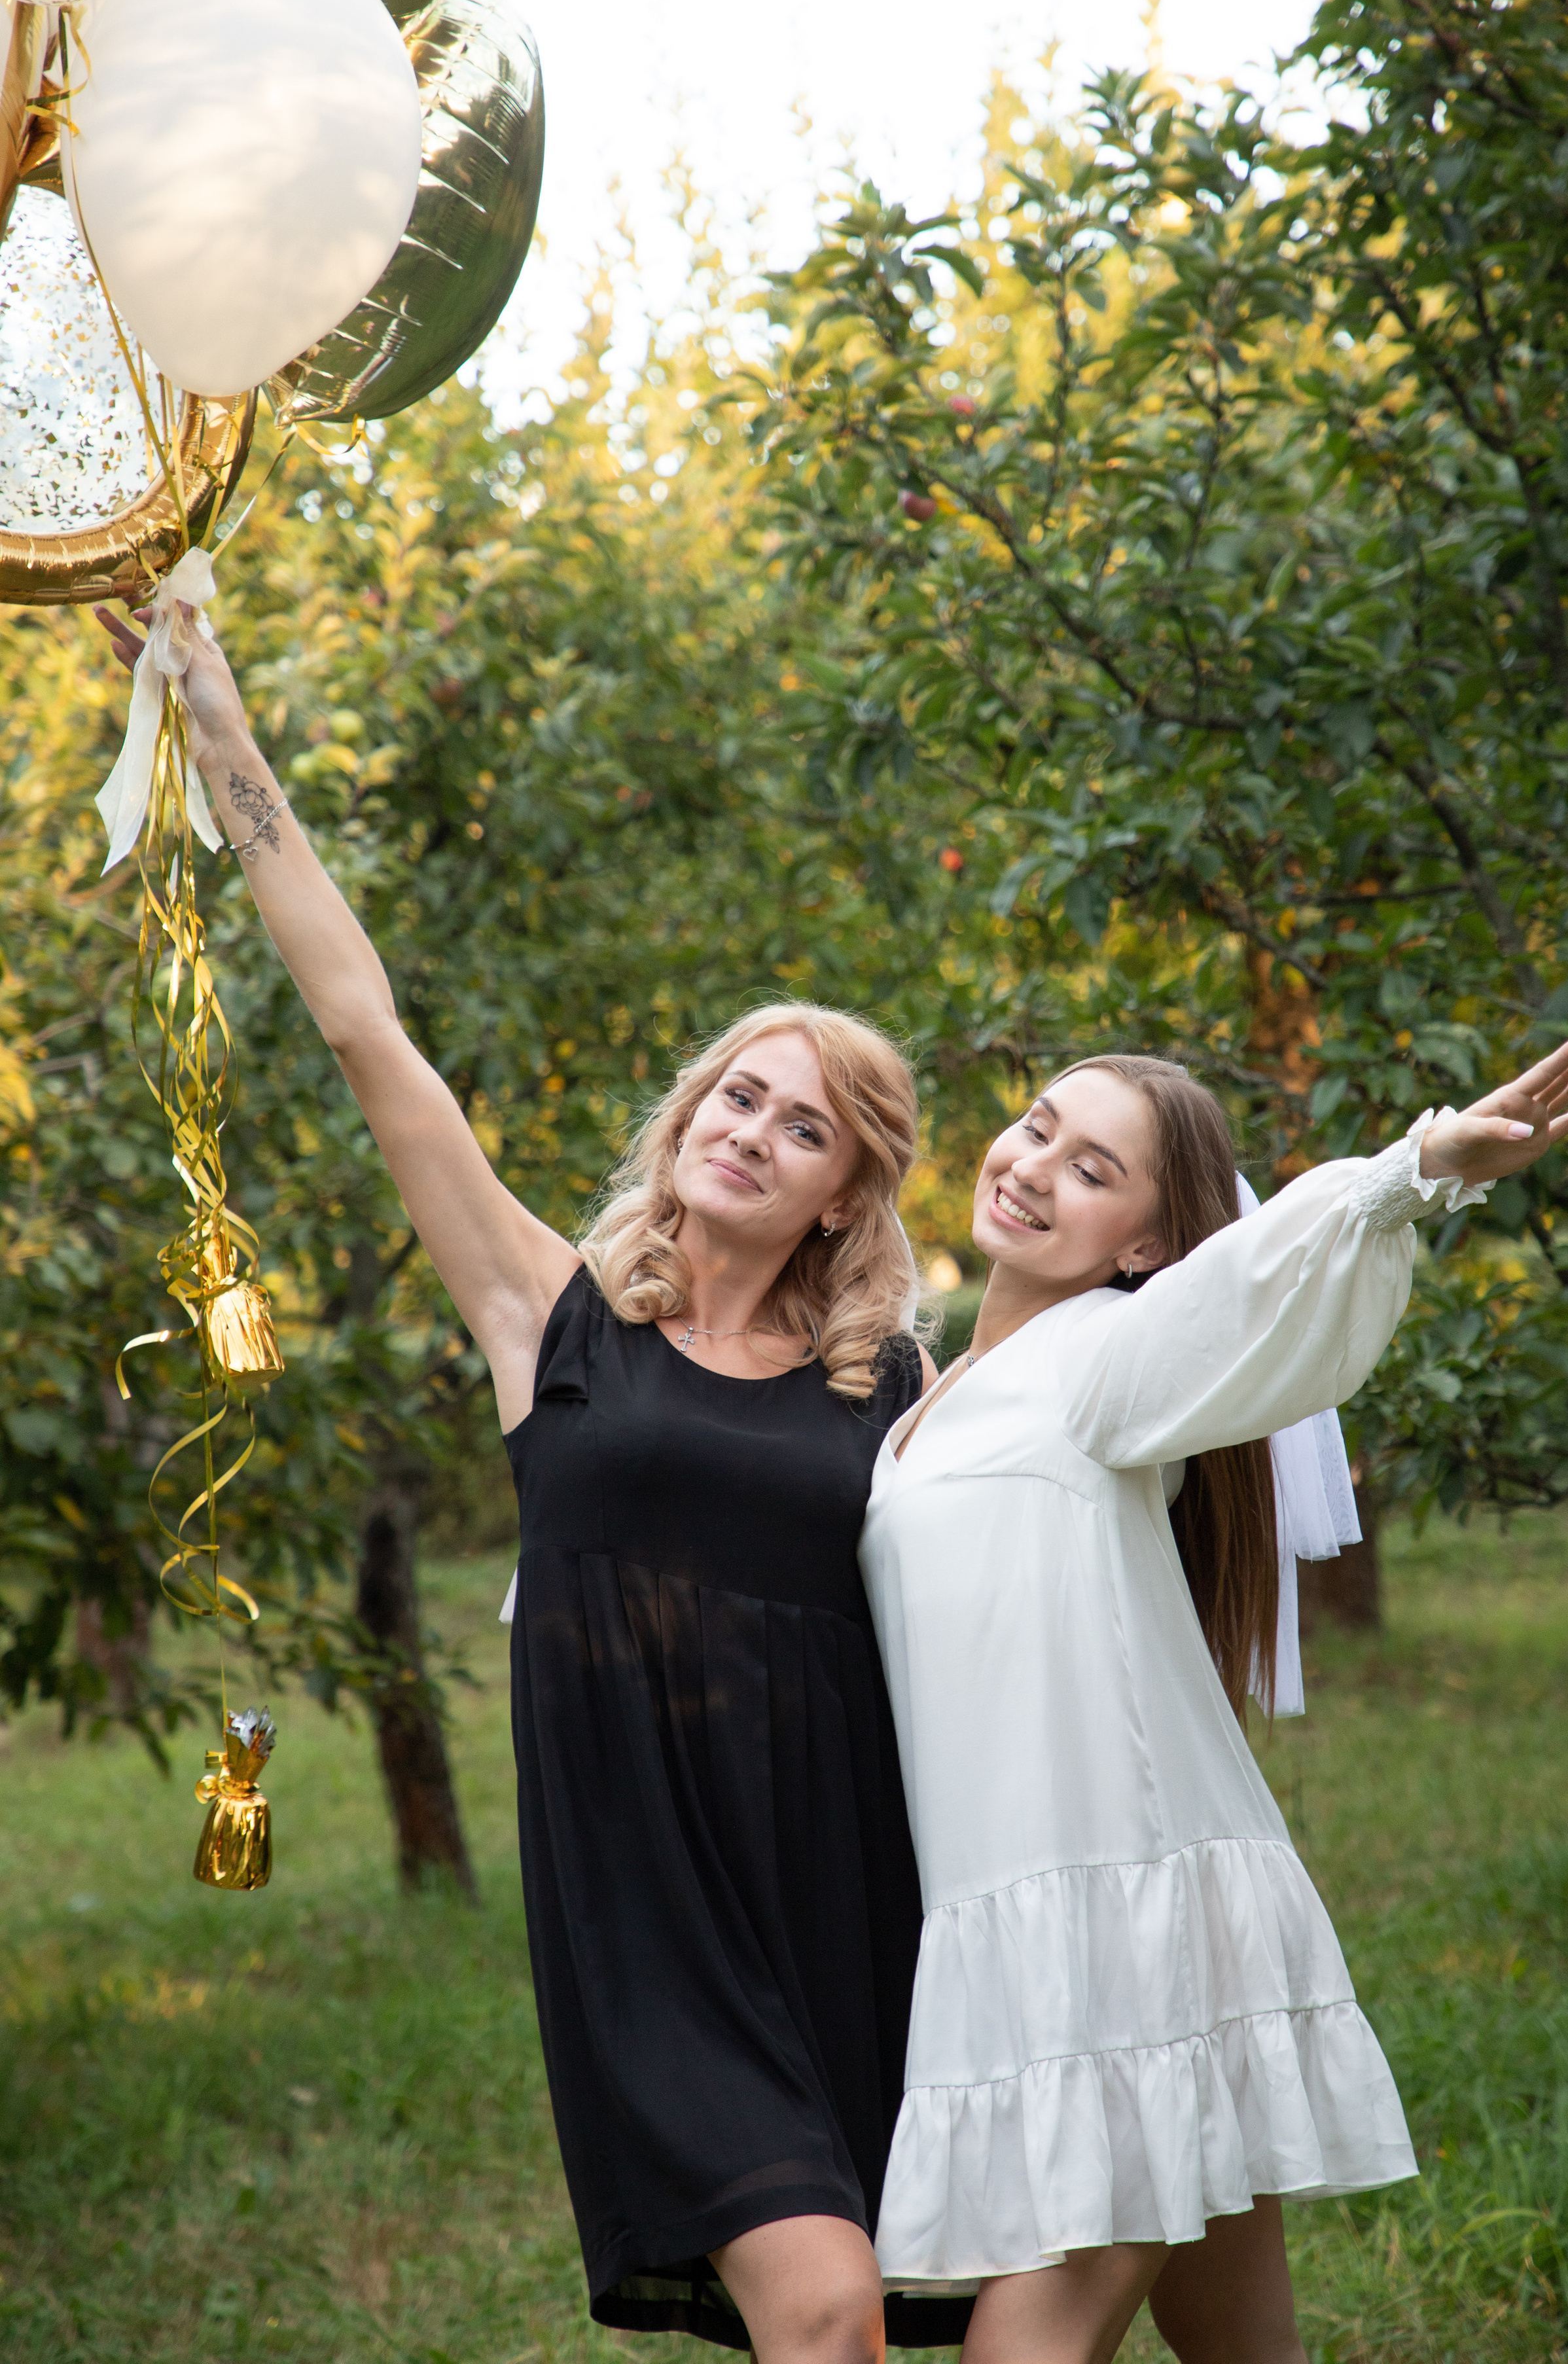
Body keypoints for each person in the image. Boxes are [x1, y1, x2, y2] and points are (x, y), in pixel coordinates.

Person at [95, 602, 975, 2364]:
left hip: (849, 1881)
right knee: (824, 2311)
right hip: (648, 1901)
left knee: (884, 2314)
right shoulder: (550, 1320)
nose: (752, 1131)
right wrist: (223, 733)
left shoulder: (889, 1386)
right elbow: (368, 1031)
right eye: (738, 1096)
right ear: (689, 1116)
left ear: (843, 1197)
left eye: (804, 1128)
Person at [856, 1037, 1568, 2364]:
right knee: (1239, 2342)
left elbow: (1243, 1283)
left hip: (1120, 1926)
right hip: (1033, 1916)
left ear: (1146, 1247)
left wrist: (1413, 1169)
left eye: (1092, 1170)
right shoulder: (935, 1389)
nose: (1031, 1166)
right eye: (1037, 1126)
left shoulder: (1104, 1356)